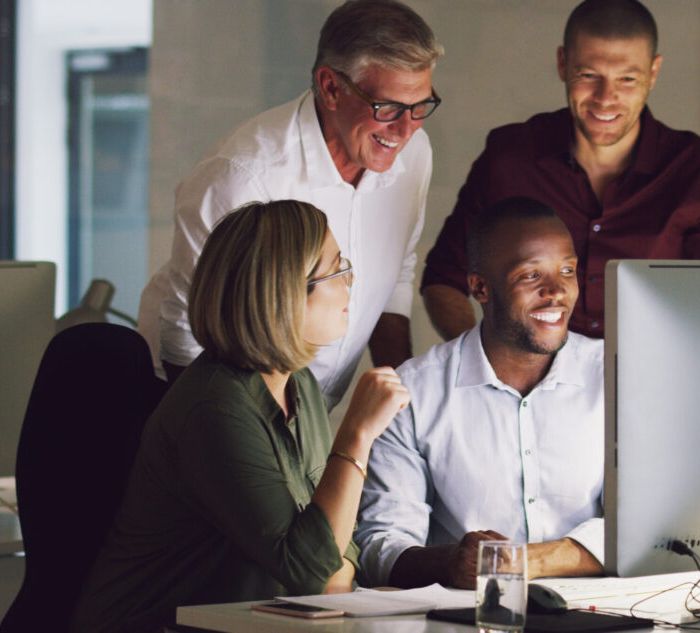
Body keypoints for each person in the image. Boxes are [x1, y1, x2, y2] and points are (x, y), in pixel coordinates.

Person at [70, 201, 410, 633]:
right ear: (284, 292)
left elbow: (335, 540)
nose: (351, 280)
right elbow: (307, 568)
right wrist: (357, 435)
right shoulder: (214, 408)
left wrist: (331, 569)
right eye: (336, 268)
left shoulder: (297, 384)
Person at [138, 0, 443, 408]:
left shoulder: (414, 153)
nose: (405, 130)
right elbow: (185, 331)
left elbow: (395, 278)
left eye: (421, 106)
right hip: (197, 405)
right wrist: (229, 442)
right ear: (331, 87)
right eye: (387, 108)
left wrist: (410, 408)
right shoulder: (244, 174)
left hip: (307, 411)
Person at [356, 197, 604, 589]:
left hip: (605, 617)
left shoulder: (617, 376)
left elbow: (647, 530)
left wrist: (520, 562)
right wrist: (448, 563)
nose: (557, 292)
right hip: (468, 621)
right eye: (530, 276)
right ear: (480, 288)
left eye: (568, 270)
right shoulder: (415, 392)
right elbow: (379, 545)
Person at [422, 0, 700, 342]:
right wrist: (489, 369)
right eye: (588, 76)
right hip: (526, 389)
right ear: (562, 64)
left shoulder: (692, 169)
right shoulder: (509, 157)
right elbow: (443, 279)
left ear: (653, 73)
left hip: (655, 385)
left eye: (627, 79)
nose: (605, 98)